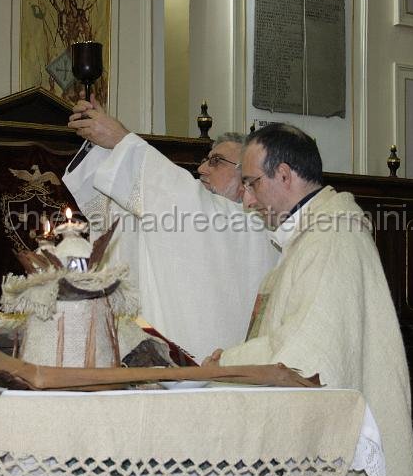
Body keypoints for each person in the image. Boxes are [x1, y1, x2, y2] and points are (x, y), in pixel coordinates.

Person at [203, 123, 413, 476]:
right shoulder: (310, 237)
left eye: (252, 183)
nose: (247, 200)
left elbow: (306, 359)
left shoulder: (332, 237)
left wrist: (223, 364)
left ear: (284, 175)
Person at [64, 95, 278, 360]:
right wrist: (104, 144)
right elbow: (128, 208)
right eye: (205, 159)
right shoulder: (185, 214)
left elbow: (175, 194)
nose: (201, 168)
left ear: (246, 178)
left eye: (216, 161)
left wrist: (119, 139)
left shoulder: (255, 226)